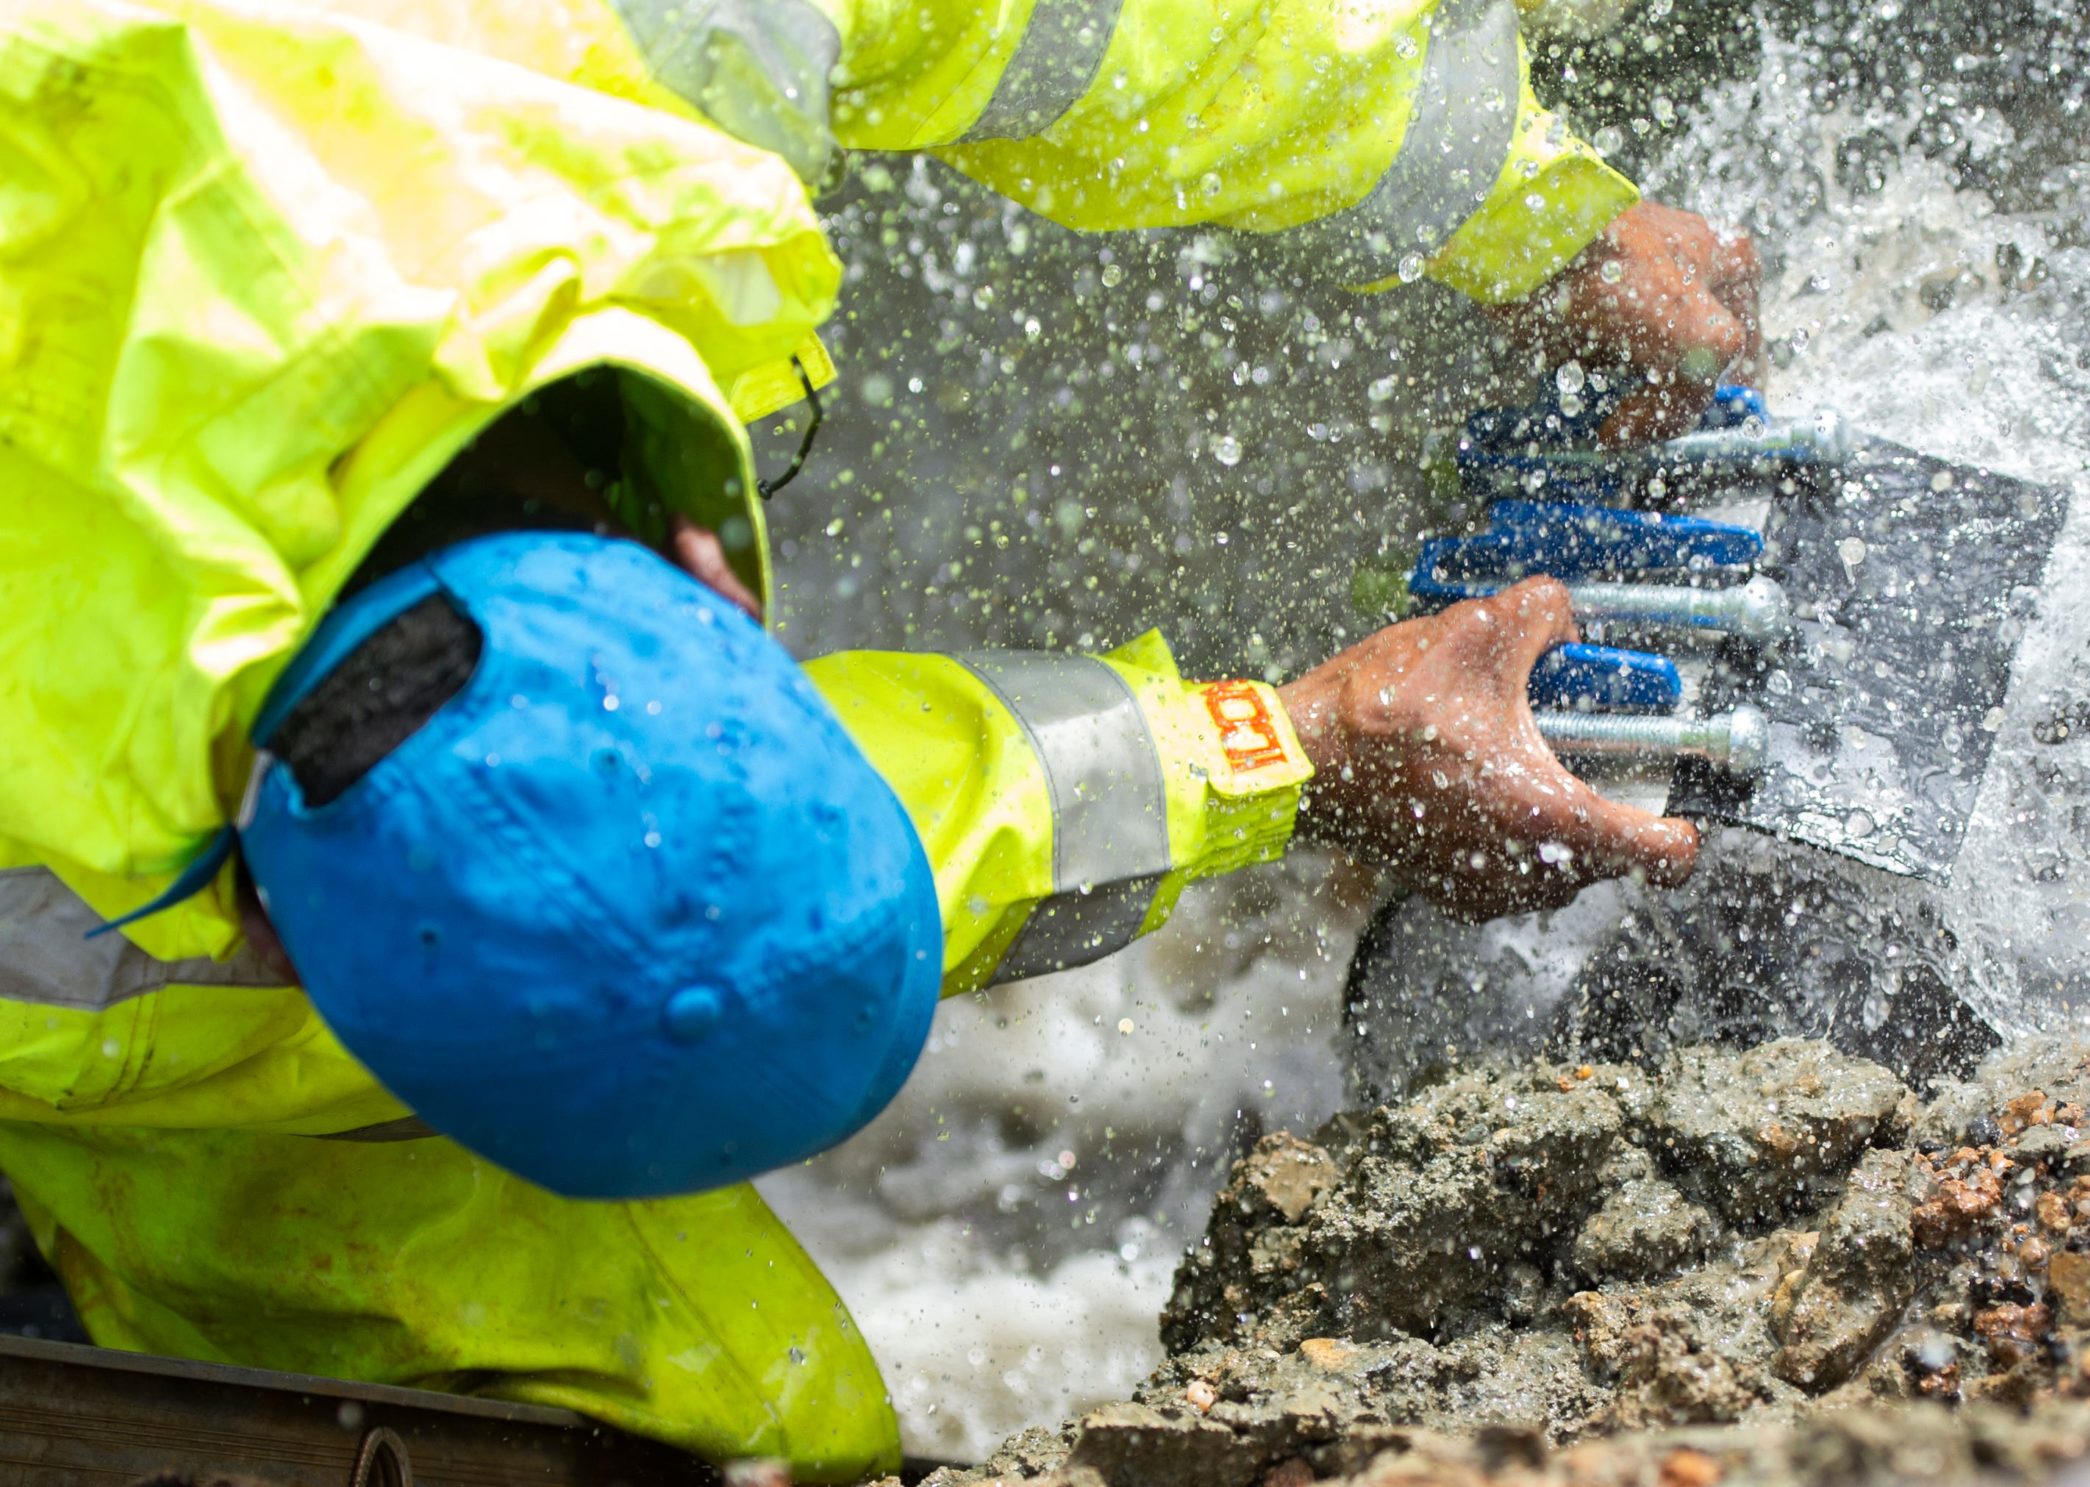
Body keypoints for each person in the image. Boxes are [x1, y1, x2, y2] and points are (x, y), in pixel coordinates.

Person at [0, 0, 1760, 1474]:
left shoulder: (595, 46)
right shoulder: (60, 945)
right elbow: (620, 883)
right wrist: (1282, 749)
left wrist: (1531, 209)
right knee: (673, 1427)